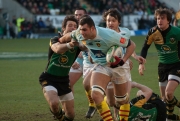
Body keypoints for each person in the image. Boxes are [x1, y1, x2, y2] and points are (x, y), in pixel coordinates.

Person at [59, 15, 136, 121]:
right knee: (95, 95)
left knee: (121, 101)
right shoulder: (79, 33)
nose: (82, 32)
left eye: (85, 30)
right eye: (81, 30)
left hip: (118, 67)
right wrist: (59, 40)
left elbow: (132, 45)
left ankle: (125, 109)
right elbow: (68, 36)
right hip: (101, 66)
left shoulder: (110, 35)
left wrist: (123, 60)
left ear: (92, 29)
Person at [38, 15, 86, 121]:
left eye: (75, 26)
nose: (73, 28)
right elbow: (58, 49)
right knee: (54, 104)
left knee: (71, 115)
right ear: (63, 28)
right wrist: (70, 44)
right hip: (49, 78)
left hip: (64, 81)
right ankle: (59, 117)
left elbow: (87, 48)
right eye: (70, 25)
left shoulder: (78, 43)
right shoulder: (55, 39)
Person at [101, 8, 146, 120]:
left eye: (113, 20)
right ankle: (108, 106)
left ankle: (119, 117)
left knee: (124, 97)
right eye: (108, 21)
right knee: (112, 102)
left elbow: (128, 46)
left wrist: (134, 57)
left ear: (119, 22)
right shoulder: (102, 33)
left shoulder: (125, 32)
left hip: (123, 66)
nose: (110, 23)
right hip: (108, 68)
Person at [139, 8, 180, 120]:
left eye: (162, 18)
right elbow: (144, 48)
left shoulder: (177, 32)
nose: (159, 21)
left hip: (176, 65)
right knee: (164, 98)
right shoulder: (152, 32)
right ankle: (171, 117)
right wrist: (141, 63)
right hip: (162, 66)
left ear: (168, 20)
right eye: (158, 18)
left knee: (169, 92)